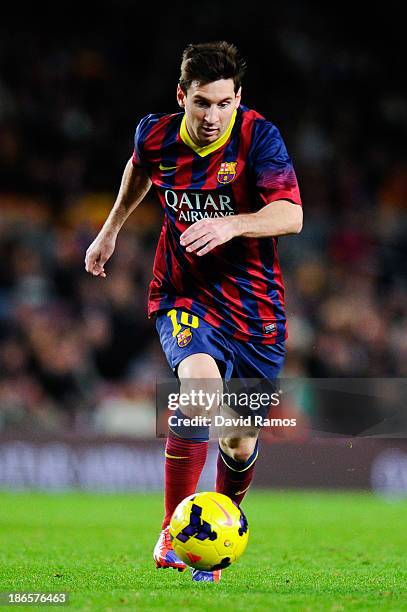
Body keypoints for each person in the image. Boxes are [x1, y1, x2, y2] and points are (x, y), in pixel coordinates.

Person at [85, 41, 302, 583]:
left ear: (238, 99)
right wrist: (110, 229)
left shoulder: (259, 138)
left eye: (223, 104)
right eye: (202, 103)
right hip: (184, 295)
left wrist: (233, 223)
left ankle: (220, 535)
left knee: (238, 439)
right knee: (198, 389)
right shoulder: (156, 134)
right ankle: (173, 534)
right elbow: (139, 170)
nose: (212, 117)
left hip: (255, 312)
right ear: (182, 96)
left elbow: (291, 213)